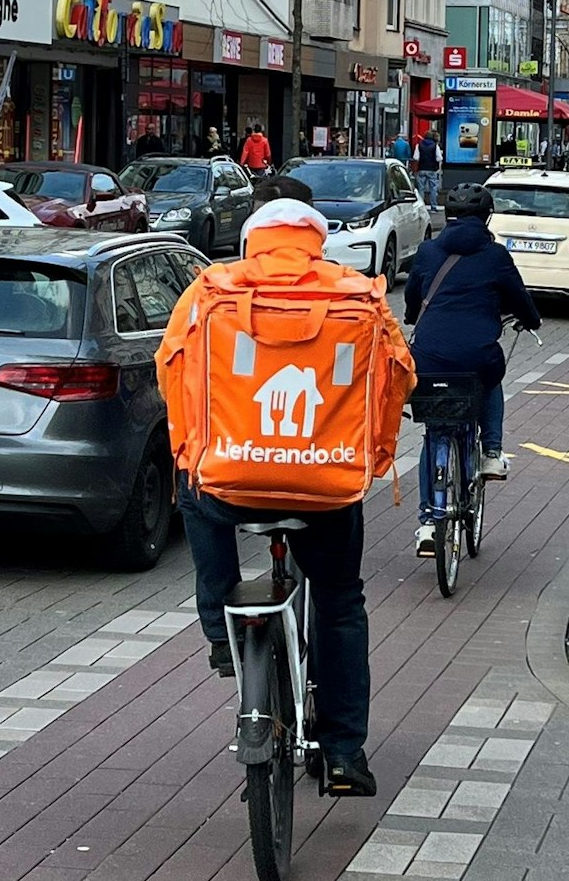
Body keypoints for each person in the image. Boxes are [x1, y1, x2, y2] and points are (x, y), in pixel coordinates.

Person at [162, 173, 411, 798]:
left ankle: (223, 634)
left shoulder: (209, 290)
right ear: (317, 243)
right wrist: (373, 461)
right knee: (339, 599)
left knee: (194, 494)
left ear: (251, 241)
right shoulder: (358, 295)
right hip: (326, 489)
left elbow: (172, 372)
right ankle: (346, 752)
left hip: (231, 479)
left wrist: (191, 454)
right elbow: (397, 379)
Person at [403, 183, 542, 556]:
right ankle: (492, 452)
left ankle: (429, 523)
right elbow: (519, 297)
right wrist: (531, 320)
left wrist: (414, 315)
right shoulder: (495, 255)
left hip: (429, 357)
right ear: (487, 218)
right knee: (491, 377)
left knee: (435, 435)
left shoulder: (429, 251)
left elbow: (413, 298)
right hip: (477, 355)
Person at [414, 130, 443, 205]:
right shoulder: (435, 146)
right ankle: (433, 206)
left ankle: (421, 205)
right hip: (432, 170)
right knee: (433, 188)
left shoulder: (419, 145)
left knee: (421, 188)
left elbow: (416, 157)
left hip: (421, 169)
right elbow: (439, 158)